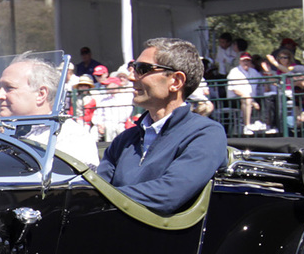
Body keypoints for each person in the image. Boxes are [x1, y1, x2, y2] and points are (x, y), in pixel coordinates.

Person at [96, 38, 227, 215]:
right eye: (133, 68)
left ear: (176, 81)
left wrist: (99, 200)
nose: (131, 76)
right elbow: (94, 189)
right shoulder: (125, 140)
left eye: (142, 69)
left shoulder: (206, 134)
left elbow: (168, 194)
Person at [0, 55, 98, 166]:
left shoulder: (71, 137)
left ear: (41, 94)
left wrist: (0, 136)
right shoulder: (7, 127)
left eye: (9, 88)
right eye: (0, 88)